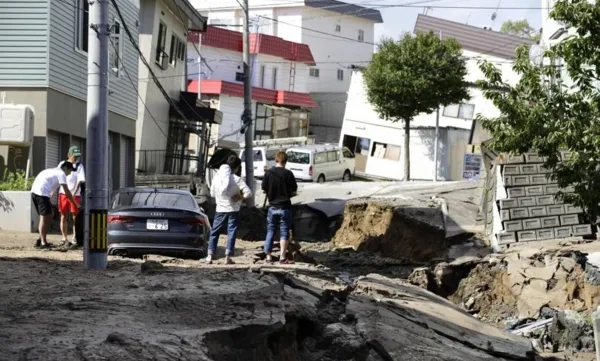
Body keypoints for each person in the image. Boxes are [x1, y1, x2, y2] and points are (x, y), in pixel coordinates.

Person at [205, 155, 252, 264]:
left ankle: (210, 255)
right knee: (231, 232)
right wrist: (240, 197)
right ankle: (228, 257)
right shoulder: (237, 179)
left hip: (220, 209)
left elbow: (212, 193)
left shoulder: (217, 177)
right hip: (233, 210)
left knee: (215, 232)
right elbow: (249, 193)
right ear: (235, 168)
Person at [30, 162, 79, 248]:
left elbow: (53, 185)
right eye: (70, 170)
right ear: (66, 168)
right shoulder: (61, 173)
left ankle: (42, 240)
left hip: (35, 192)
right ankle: (42, 243)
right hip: (41, 193)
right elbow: (67, 191)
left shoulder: (53, 171)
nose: (70, 173)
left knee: (48, 216)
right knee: (45, 217)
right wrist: (75, 204)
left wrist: (50, 196)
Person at [261, 151, 297, 264]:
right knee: (284, 231)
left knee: (270, 230)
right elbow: (294, 190)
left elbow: (263, 189)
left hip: (272, 207)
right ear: (285, 161)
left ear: (275, 160)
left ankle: (268, 257)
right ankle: (282, 257)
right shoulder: (288, 174)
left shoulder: (268, 173)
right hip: (285, 207)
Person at [57, 146, 85, 246]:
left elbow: (80, 180)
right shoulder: (62, 164)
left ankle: (75, 237)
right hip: (63, 193)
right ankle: (64, 238)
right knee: (63, 215)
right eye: (74, 156)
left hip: (75, 194)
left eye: (77, 157)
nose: (76, 159)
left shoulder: (79, 166)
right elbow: (58, 176)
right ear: (69, 155)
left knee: (75, 216)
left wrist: (74, 192)